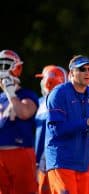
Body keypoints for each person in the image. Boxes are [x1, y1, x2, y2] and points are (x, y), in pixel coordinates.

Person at [45, 55, 89, 194]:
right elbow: (56, 129)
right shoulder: (58, 93)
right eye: (82, 69)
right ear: (71, 73)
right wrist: (86, 122)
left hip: (83, 163)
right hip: (61, 161)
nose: (87, 72)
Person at [0, 49, 39, 194]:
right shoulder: (0, 97)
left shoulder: (27, 94)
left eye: (4, 65)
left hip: (20, 151)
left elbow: (24, 113)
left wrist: (11, 93)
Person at [35, 65, 68, 194]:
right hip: (49, 157)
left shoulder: (46, 102)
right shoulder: (41, 101)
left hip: (51, 157)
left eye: (44, 79)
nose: (42, 83)